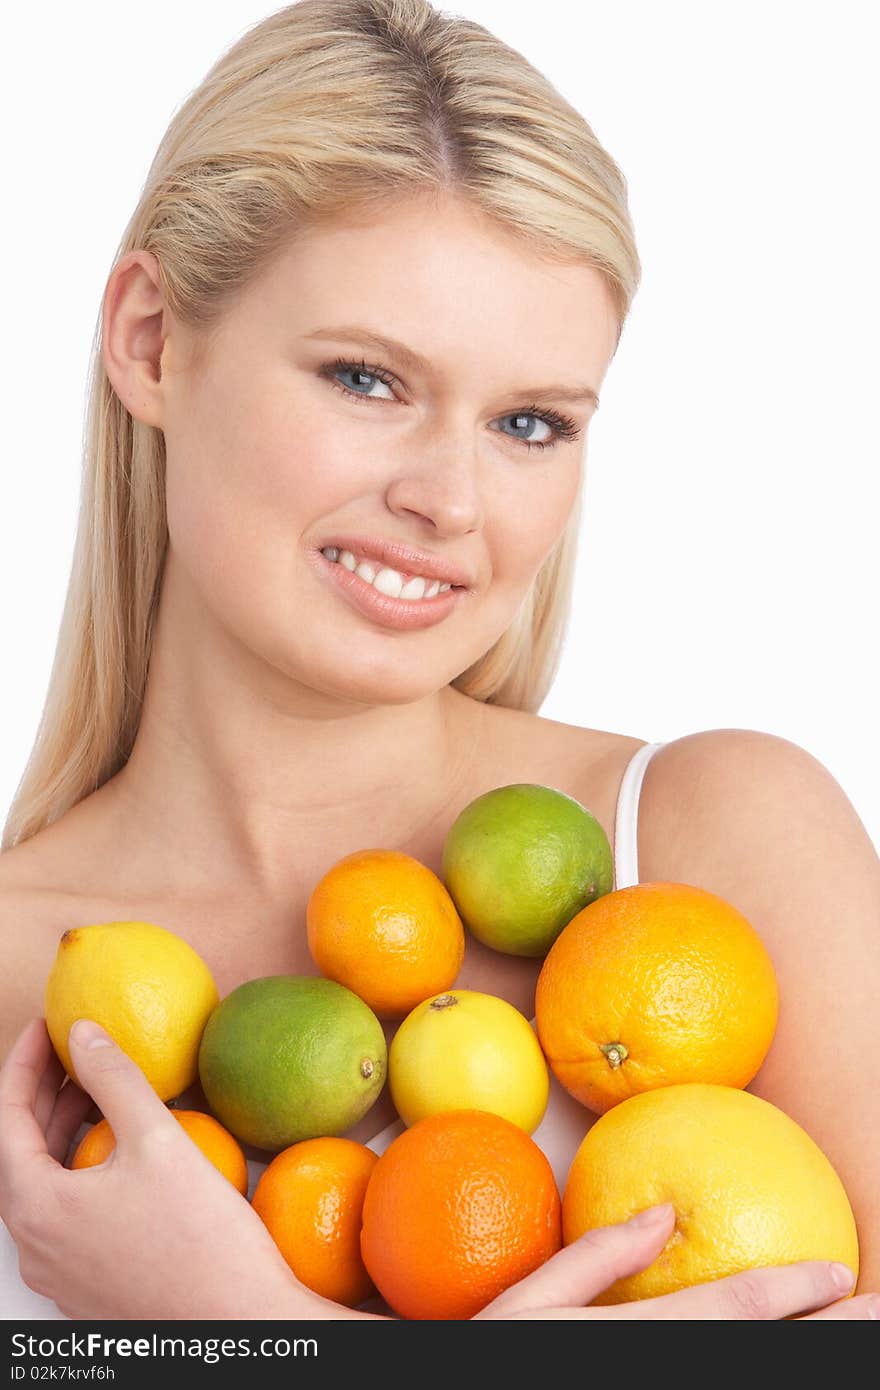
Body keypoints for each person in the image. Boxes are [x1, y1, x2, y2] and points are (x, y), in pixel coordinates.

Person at [0, 0, 877, 1322]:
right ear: (150, 341)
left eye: (529, 420)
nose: (453, 503)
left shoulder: (717, 837)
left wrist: (255, 1335)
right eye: (366, 379)